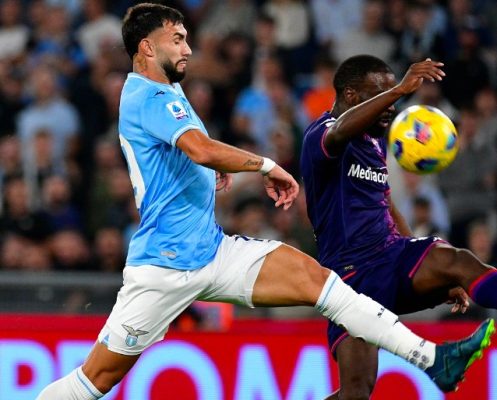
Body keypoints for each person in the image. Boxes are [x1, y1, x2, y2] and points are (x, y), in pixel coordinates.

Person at [36, 5, 494, 399]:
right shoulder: (147, 94)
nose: (188, 48)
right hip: (164, 266)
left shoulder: (168, 90)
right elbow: (199, 147)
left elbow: (187, 154)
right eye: (177, 39)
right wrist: (264, 165)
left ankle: (434, 359)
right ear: (146, 48)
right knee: (94, 381)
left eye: (187, 38)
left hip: (213, 251)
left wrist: (206, 172)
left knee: (322, 284)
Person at [300, 54, 497, 400]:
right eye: (382, 94)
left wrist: (430, 267)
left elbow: (386, 203)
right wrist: (402, 89)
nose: (391, 106)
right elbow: (339, 131)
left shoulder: (375, 141)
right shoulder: (322, 134)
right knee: (356, 392)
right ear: (351, 95)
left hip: (391, 256)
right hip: (351, 278)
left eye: (393, 95)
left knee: (458, 261)